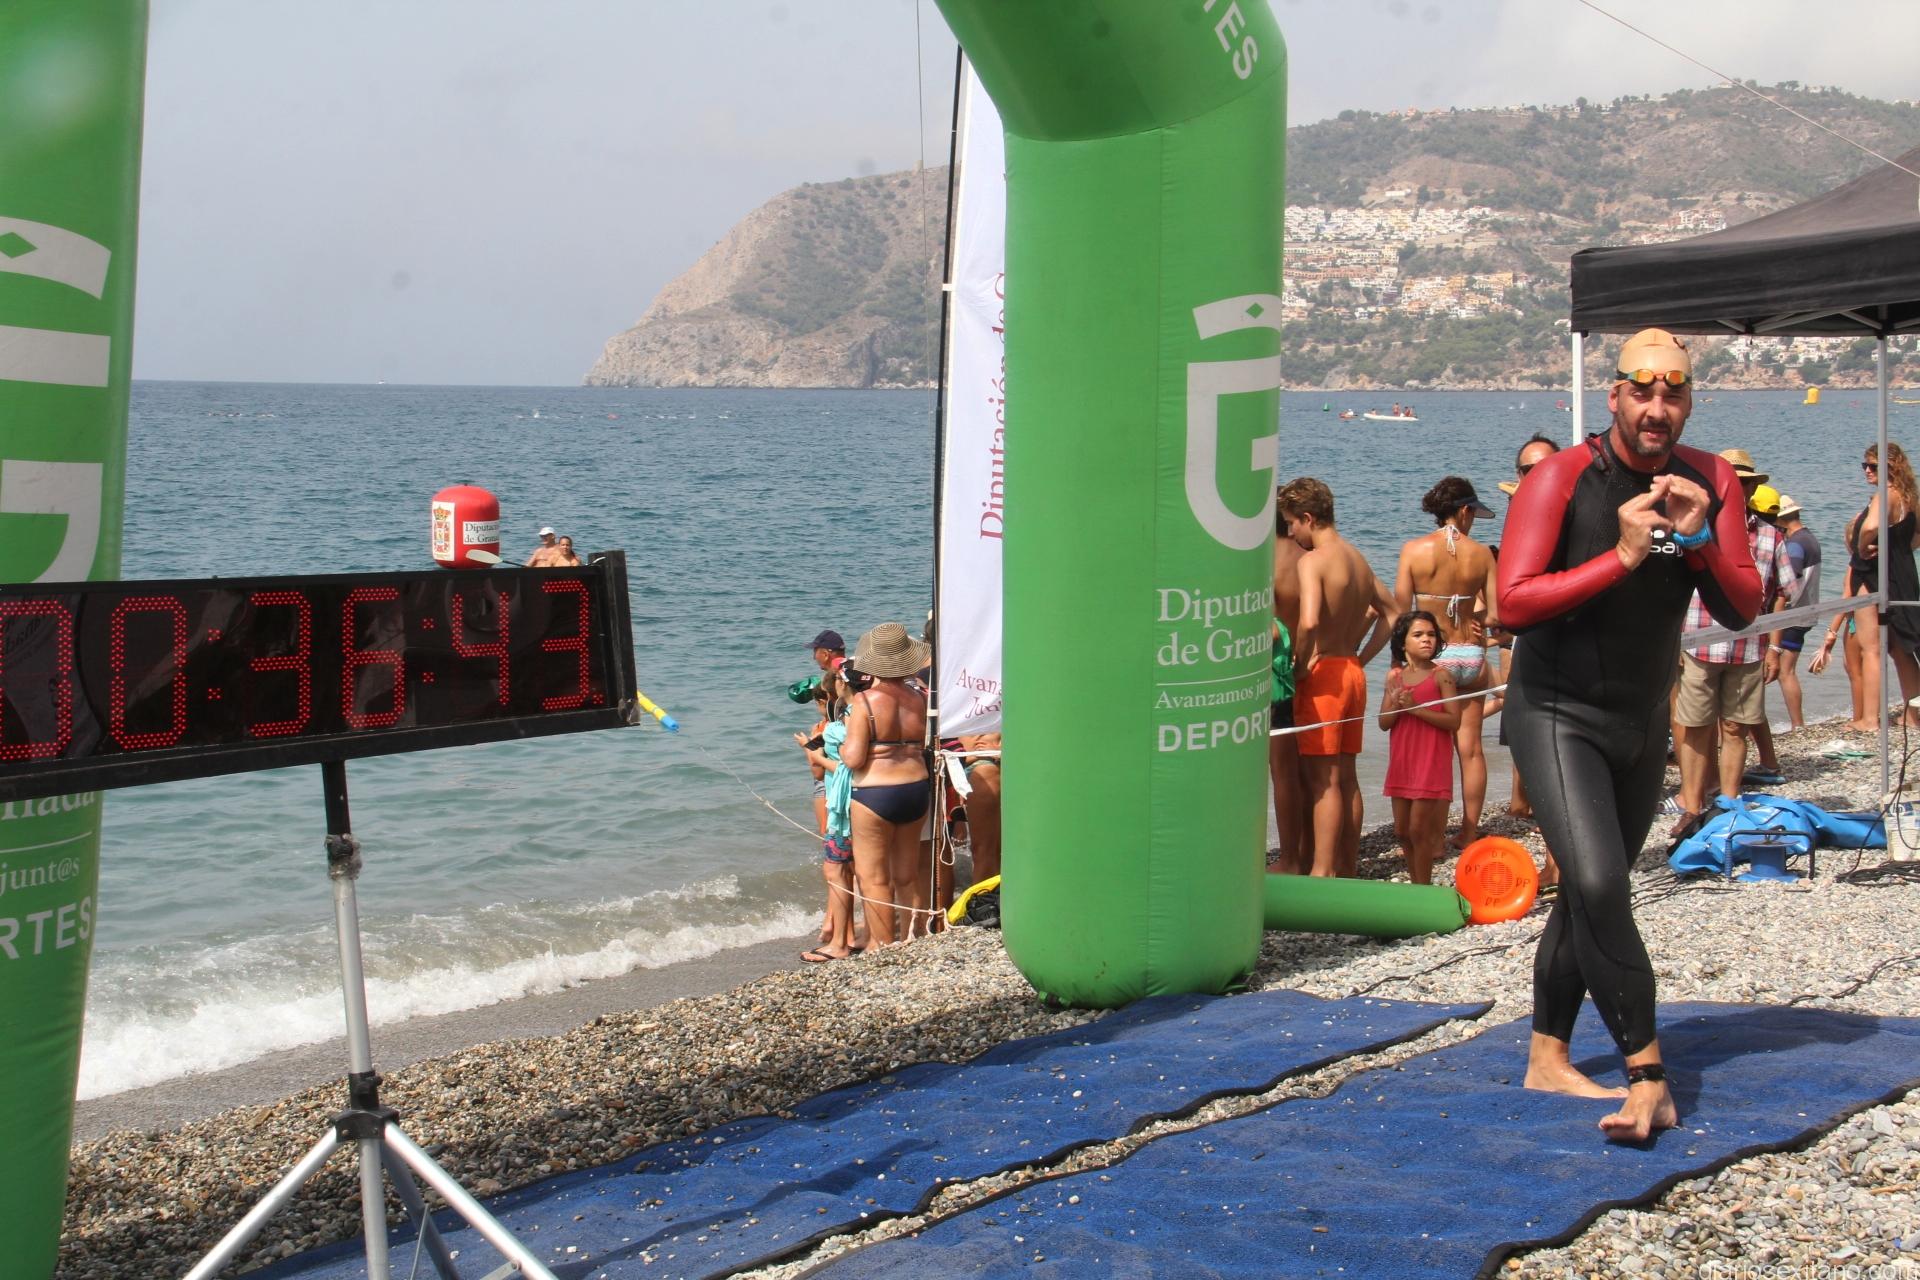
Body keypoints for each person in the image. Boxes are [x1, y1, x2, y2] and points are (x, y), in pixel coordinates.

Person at [1499, 328, 1759, 1142]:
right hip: (1556, 713)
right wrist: (1621, 554)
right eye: (1641, 391)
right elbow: (1512, 601)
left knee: (1590, 891)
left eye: (1673, 392)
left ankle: (1547, 1056)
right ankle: (1648, 1077)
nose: (1657, 408)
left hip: (1642, 720)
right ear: (1614, 395)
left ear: (1689, 401)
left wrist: (1700, 537)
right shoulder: (1560, 477)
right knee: (1602, 883)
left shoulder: (1712, 480)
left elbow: (1742, 609)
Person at [1278, 477, 1398, 879]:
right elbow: (1393, 612)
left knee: (1323, 782)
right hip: (1351, 673)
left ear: (1308, 518)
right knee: (1346, 777)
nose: (1291, 533)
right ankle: (1346, 866)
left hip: (1324, 676)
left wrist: (1299, 665)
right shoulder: (1357, 558)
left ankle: (1322, 870)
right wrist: (1361, 657)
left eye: (1292, 523)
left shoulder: (1313, 561)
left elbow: (1310, 620)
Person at [1672, 449, 1793, 820]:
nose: (1737, 490)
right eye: (1732, 483)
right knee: (1695, 725)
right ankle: (1692, 803)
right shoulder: (1691, 531)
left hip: (1748, 646)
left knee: (1735, 725)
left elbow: (1783, 593)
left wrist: (1775, 648)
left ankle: (1728, 800)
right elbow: (1673, 589)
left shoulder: (1771, 537)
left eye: (1744, 484)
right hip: (1699, 643)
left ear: (1751, 489)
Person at [1394, 476, 1499, 849]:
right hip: (1470, 654)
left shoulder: (1413, 550)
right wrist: (1477, 621)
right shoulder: (1482, 554)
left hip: (1433, 657)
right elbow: (1496, 616)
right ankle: (1468, 832)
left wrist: (1398, 663)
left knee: (1432, 752)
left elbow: (1402, 614)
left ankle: (1434, 840)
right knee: (1470, 750)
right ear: (1465, 511)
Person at [1496, 433, 1562, 892]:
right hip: (1529, 650)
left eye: (1544, 467)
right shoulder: (1516, 525)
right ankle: (1557, 860)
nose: (1535, 476)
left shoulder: (1575, 520)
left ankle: (1562, 863)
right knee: (1539, 759)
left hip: (1566, 653)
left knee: (1561, 762)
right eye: (1526, 470)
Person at [840, 623, 931, 947]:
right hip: (916, 788)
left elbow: (854, 758)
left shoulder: (864, 701)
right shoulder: (919, 698)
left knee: (874, 877)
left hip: (875, 793)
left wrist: (839, 747)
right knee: (906, 874)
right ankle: (912, 938)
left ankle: (880, 946)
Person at [1838, 441, 1920, 729]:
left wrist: (1862, 547)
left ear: (1891, 467)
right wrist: (1897, 550)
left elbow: (1871, 526)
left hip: (1873, 574)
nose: (1867, 471)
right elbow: (1917, 536)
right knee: (1901, 648)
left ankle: (1869, 719)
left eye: (1873, 466)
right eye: (1865, 465)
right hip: (1903, 572)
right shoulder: (1909, 497)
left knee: (1871, 648)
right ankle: (1913, 716)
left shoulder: (1883, 496)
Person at [1378, 611, 1459, 885]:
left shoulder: (1441, 676)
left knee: (1418, 830)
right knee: (1402, 831)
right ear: (1403, 643)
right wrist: (1394, 702)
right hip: (1402, 763)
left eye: (1431, 634)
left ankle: (1423, 887)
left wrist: (1416, 709)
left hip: (1430, 763)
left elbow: (1454, 720)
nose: (1427, 640)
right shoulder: (1395, 676)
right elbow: (1384, 723)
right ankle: (1416, 885)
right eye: (1418, 635)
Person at [795, 689, 857, 962]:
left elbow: (820, 771)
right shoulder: (861, 723)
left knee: (835, 869)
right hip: (861, 802)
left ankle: (838, 938)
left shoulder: (831, 730)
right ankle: (851, 934)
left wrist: (810, 748)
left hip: (838, 804)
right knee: (855, 870)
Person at [1269, 500, 1307, 873]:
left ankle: (1290, 858)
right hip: (1310, 669)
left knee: (1281, 773)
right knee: (1305, 773)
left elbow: (1268, 631)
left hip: (1277, 676)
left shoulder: (1266, 563)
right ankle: (1307, 853)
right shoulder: (1307, 558)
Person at [1770, 494, 1820, 731]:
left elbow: (1788, 583)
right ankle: (1797, 724)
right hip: (1806, 611)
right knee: (1787, 671)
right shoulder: (1809, 538)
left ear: (1780, 519)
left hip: (1792, 614)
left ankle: (1797, 724)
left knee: (1785, 672)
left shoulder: (1794, 545)